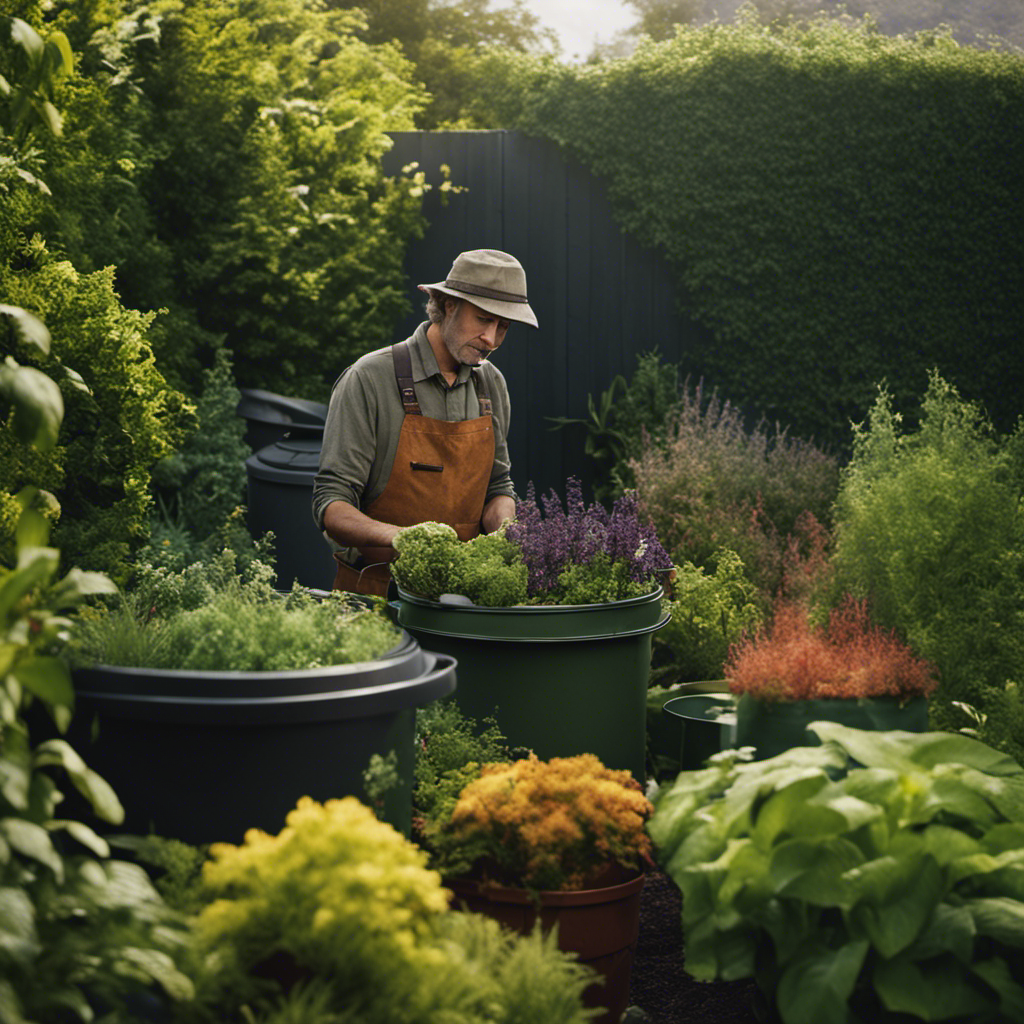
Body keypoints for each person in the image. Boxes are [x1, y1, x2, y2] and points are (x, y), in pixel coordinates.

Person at [312, 248, 538, 595]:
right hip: (376, 598)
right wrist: (407, 540)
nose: (492, 340)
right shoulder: (369, 379)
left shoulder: (491, 384)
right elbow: (332, 504)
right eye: (483, 319)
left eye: (503, 326)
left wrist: (507, 530)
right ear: (449, 305)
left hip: (464, 602)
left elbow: (498, 486)